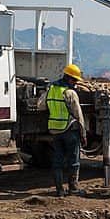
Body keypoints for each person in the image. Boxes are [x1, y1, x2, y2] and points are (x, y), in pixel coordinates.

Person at [39, 63, 87, 196]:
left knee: (57, 161)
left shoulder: (51, 89)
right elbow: (79, 115)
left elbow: (41, 105)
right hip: (69, 130)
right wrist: (83, 134)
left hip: (55, 130)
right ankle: (73, 188)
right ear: (70, 79)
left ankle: (59, 189)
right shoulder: (70, 93)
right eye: (76, 80)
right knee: (74, 161)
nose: (76, 83)